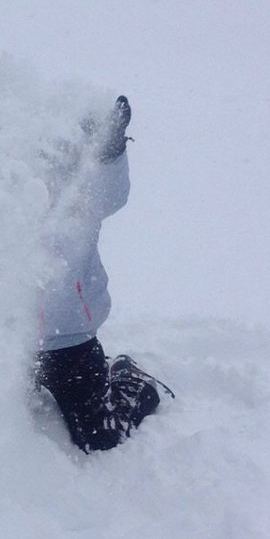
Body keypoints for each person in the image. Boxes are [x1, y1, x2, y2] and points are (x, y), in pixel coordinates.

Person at [31, 95, 172, 452]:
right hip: (6, 341)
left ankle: (132, 380)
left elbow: (112, 195)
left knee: (99, 435)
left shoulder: (75, 188)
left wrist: (110, 151)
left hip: (69, 339)